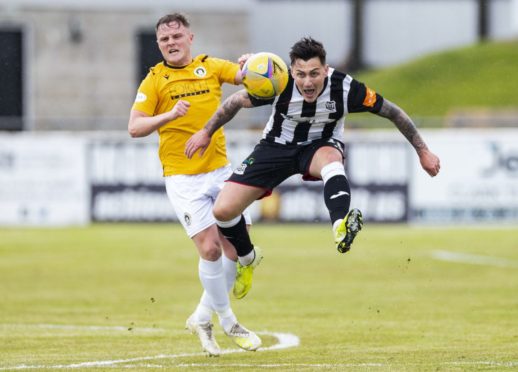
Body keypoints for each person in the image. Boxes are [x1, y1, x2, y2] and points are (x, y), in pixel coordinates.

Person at [185, 37, 441, 288]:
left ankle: (340, 226)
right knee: (223, 211)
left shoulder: (346, 88)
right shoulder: (279, 83)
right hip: (275, 148)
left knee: (332, 160)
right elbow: (234, 102)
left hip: (320, 146)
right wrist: (206, 132)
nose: (308, 82)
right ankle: (248, 257)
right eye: (301, 74)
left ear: (326, 70)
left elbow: (392, 111)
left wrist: (423, 151)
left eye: (314, 74)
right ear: (292, 71)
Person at [128, 13, 262, 356]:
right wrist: (168, 116)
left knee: (236, 250)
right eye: (164, 40)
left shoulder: (210, 66)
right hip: (182, 178)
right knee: (211, 250)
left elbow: (250, 76)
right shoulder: (154, 81)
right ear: (159, 45)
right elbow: (135, 127)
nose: (170, 43)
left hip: (219, 170)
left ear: (190, 37)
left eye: (176, 36)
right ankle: (228, 322)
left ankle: (203, 315)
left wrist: (251, 63)